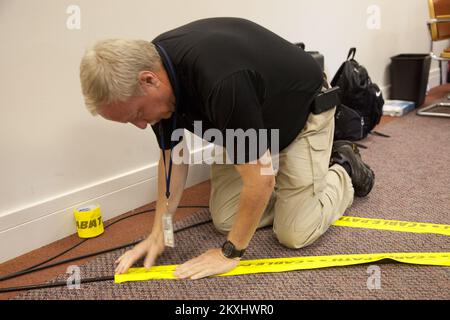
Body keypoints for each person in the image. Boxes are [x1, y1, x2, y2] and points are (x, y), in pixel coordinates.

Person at [79, 17, 374, 280]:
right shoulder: (155, 75)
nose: (142, 125)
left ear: (149, 80)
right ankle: (291, 182)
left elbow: (261, 179)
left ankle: (344, 167)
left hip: (301, 115)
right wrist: (159, 233)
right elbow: (172, 158)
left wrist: (229, 254)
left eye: (137, 115)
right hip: (250, 123)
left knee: (294, 232)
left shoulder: (221, 81)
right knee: (226, 219)